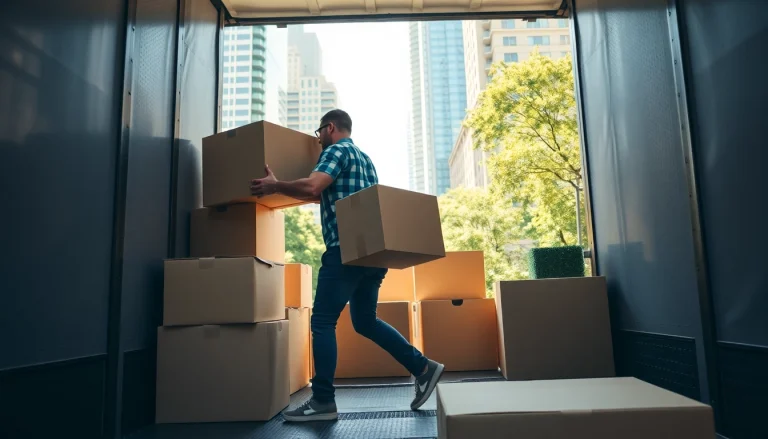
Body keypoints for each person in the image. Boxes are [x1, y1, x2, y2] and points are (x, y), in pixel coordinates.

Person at [250, 109, 444, 422]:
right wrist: (292, 189)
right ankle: (422, 367)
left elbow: (315, 187)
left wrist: (275, 186)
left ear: (329, 128)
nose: (318, 140)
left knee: (323, 322)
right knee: (365, 321)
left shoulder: (336, 150)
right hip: (373, 255)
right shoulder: (365, 160)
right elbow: (327, 195)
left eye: (318, 134)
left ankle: (323, 401)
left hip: (345, 252)